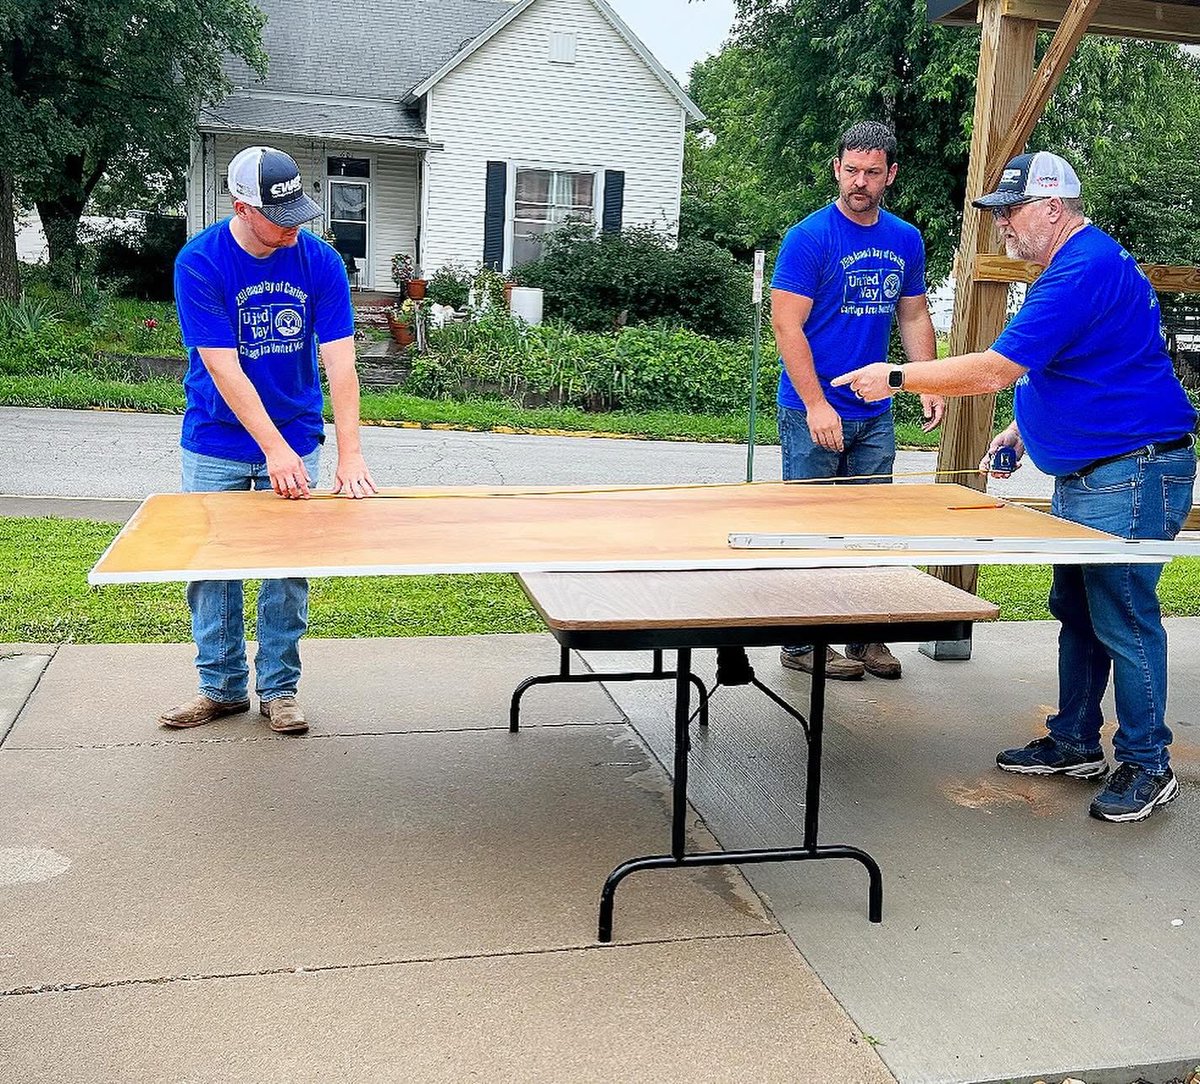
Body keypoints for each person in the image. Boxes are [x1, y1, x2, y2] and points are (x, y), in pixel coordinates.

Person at [834, 150, 1196, 822]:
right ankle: (1075, 741)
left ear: (1052, 208)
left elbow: (995, 370)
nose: (1002, 224)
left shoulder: (1079, 271)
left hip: (1132, 471)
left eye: (1011, 211)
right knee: (1079, 609)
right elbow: (1090, 364)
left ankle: (1148, 763)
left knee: (1123, 615)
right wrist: (1023, 431)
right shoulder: (1082, 263)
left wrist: (895, 376)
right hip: (1104, 470)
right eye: (998, 213)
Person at [160, 145, 378, 736]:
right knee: (213, 569)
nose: (292, 228)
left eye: (297, 214)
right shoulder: (200, 262)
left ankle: (279, 690)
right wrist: (273, 449)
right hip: (216, 439)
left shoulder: (320, 261)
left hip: (298, 432)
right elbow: (223, 367)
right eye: (279, 218)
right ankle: (220, 688)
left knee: (287, 570)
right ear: (242, 208)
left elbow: (341, 363)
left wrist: (350, 453)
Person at [771, 120, 944, 681]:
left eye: (871, 172)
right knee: (810, 531)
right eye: (851, 170)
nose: (859, 182)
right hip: (813, 410)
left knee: (870, 530)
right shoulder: (809, 238)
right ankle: (802, 644)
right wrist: (817, 404)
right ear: (836, 169)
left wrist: (923, 380)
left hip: (875, 412)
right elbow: (786, 325)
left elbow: (913, 314)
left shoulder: (905, 239)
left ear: (890, 175)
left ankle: (865, 637)